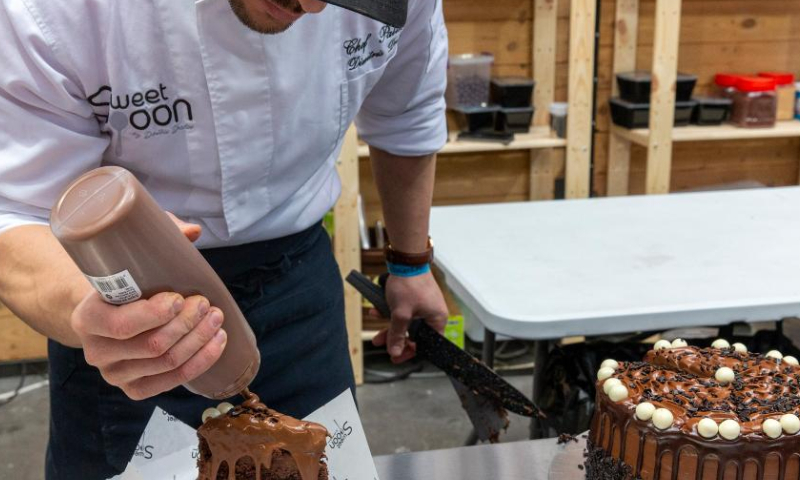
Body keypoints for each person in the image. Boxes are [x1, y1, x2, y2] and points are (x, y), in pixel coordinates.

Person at [0, 0, 449, 478]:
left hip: (299, 288)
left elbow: (407, 112)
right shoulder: (55, 11)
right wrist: (88, 311)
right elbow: (16, 212)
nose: (315, 7)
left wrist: (410, 261)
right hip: (126, 304)